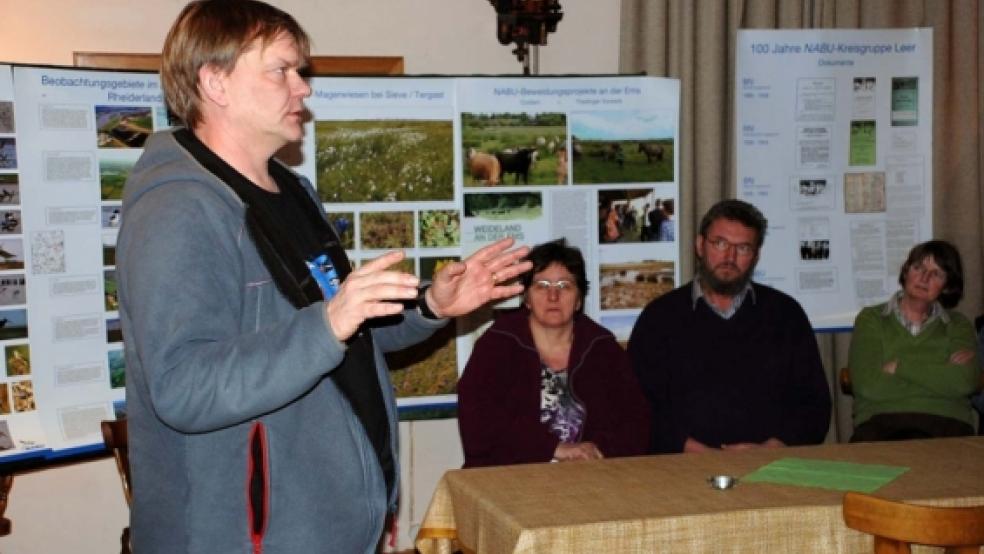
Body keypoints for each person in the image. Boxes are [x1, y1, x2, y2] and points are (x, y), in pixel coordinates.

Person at [116, 2, 531, 552]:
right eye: (281, 71)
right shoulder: (178, 210)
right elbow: (185, 387)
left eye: (301, 72)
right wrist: (329, 322)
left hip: (329, 529)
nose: (303, 89)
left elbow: (345, 335)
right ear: (215, 82)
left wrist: (431, 305)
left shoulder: (291, 193)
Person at [628, 199, 831, 454]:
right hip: (680, 467)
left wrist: (773, 447)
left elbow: (815, 404)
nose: (729, 257)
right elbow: (636, 407)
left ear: (756, 256)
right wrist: (689, 449)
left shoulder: (786, 315)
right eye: (720, 243)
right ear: (700, 245)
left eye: (743, 248)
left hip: (771, 465)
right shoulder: (659, 318)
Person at [457, 239, 650, 467]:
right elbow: (478, 427)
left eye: (564, 286)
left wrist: (597, 450)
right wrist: (554, 449)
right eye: (542, 285)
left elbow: (637, 425)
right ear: (526, 298)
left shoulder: (603, 349)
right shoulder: (497, 345)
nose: (553, 296)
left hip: (590, 481)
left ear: (579, 300)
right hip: (509, 483)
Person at [848, 240, 981, 441]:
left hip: (948, 424)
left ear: (947, 286)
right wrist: (940, 377)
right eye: (918, 267)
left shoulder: (958, 324)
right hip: (882, 422)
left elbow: (964, 382)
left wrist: (900, 367)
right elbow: (868, 386)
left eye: (936, 273)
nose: (924, 278)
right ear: (906, 271)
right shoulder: (872, 319)